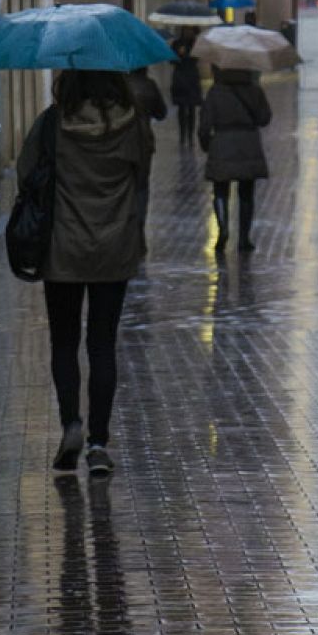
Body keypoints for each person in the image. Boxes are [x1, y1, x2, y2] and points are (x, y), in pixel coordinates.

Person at [17, 70, 155, 476]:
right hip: (115, 248)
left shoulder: (52, 122)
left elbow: (27, 174)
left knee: (64, 342)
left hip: (62, 249)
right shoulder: (133, 123)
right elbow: (141, 176)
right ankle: (98, 443)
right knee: (102, 344)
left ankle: (71, 424)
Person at [198, 65, 271, 252]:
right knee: (246, 193)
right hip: (248, 144)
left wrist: (206, 144)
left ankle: (223, 229)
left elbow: (205, 124)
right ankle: (244, 238)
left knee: (220, 190)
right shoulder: (254, 90)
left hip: (222, 142)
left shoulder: (215, 92)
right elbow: (264, 118)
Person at [170, 28, 204, 147]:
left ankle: (190, 136)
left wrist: (188, 53)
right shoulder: (176, 43)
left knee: (191, 108)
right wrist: (178, 54)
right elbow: (171, 60)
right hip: (180, 78)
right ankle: (182, 135)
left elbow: (197, 58)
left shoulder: (195, 43)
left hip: (192, 78)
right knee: (181, 108)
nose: (188, 32)